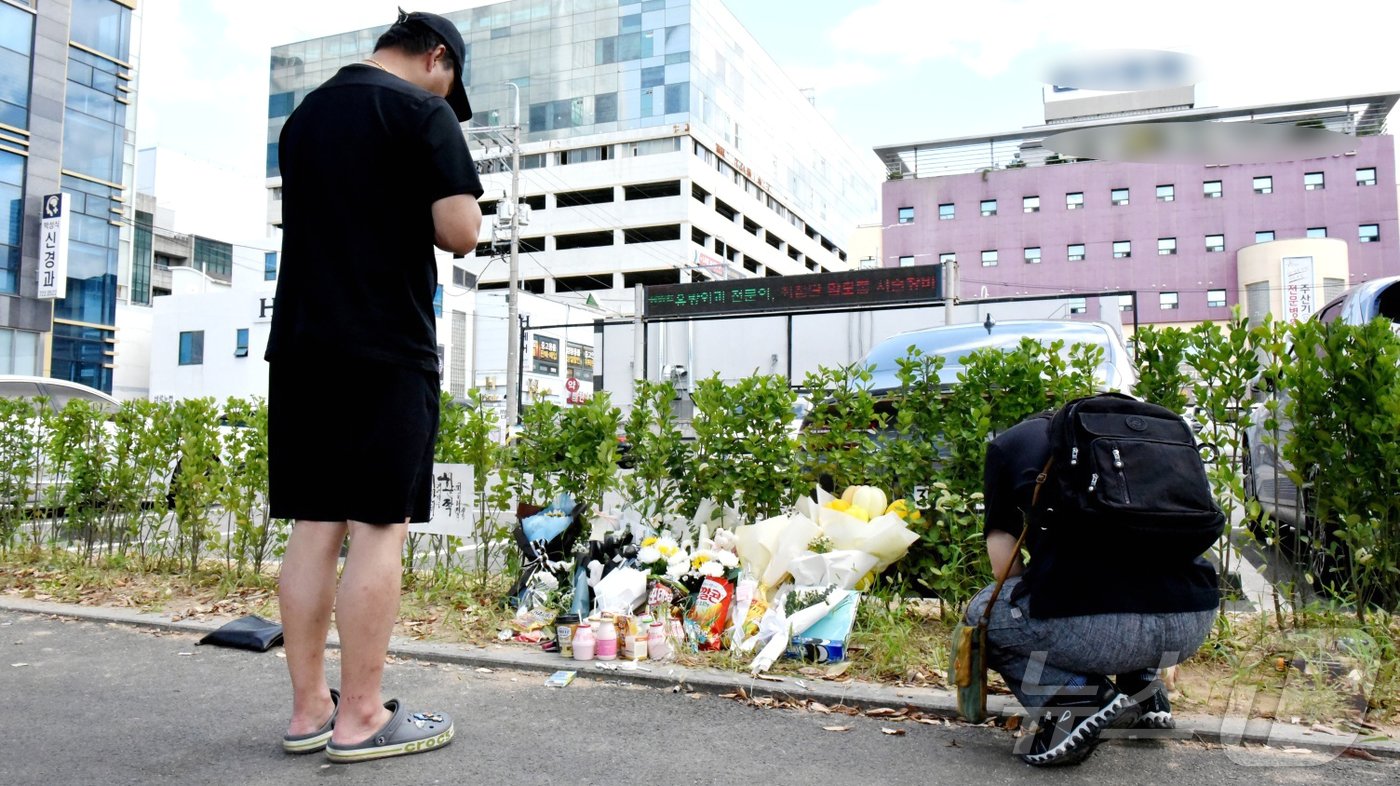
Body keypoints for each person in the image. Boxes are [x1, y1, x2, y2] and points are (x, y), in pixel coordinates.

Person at [265, 10, 483, 764]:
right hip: (385, 346)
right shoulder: (421, 113)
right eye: (450, 82)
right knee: (378, 526)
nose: (446, 95)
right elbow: (461, 232)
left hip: (299, 346)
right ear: (436, 58)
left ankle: (307, 711)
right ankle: (361, 715)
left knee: (314, 525)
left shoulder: (305, 117)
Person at [966, 412, 1219, 766]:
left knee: (983, 616)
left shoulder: (1009, 445)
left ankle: (1076, 704)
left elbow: (1003, 567)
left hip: (1103, 629)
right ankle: (1147, 696)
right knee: (1135, 570)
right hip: (1193, 619)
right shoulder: (1149, 435)